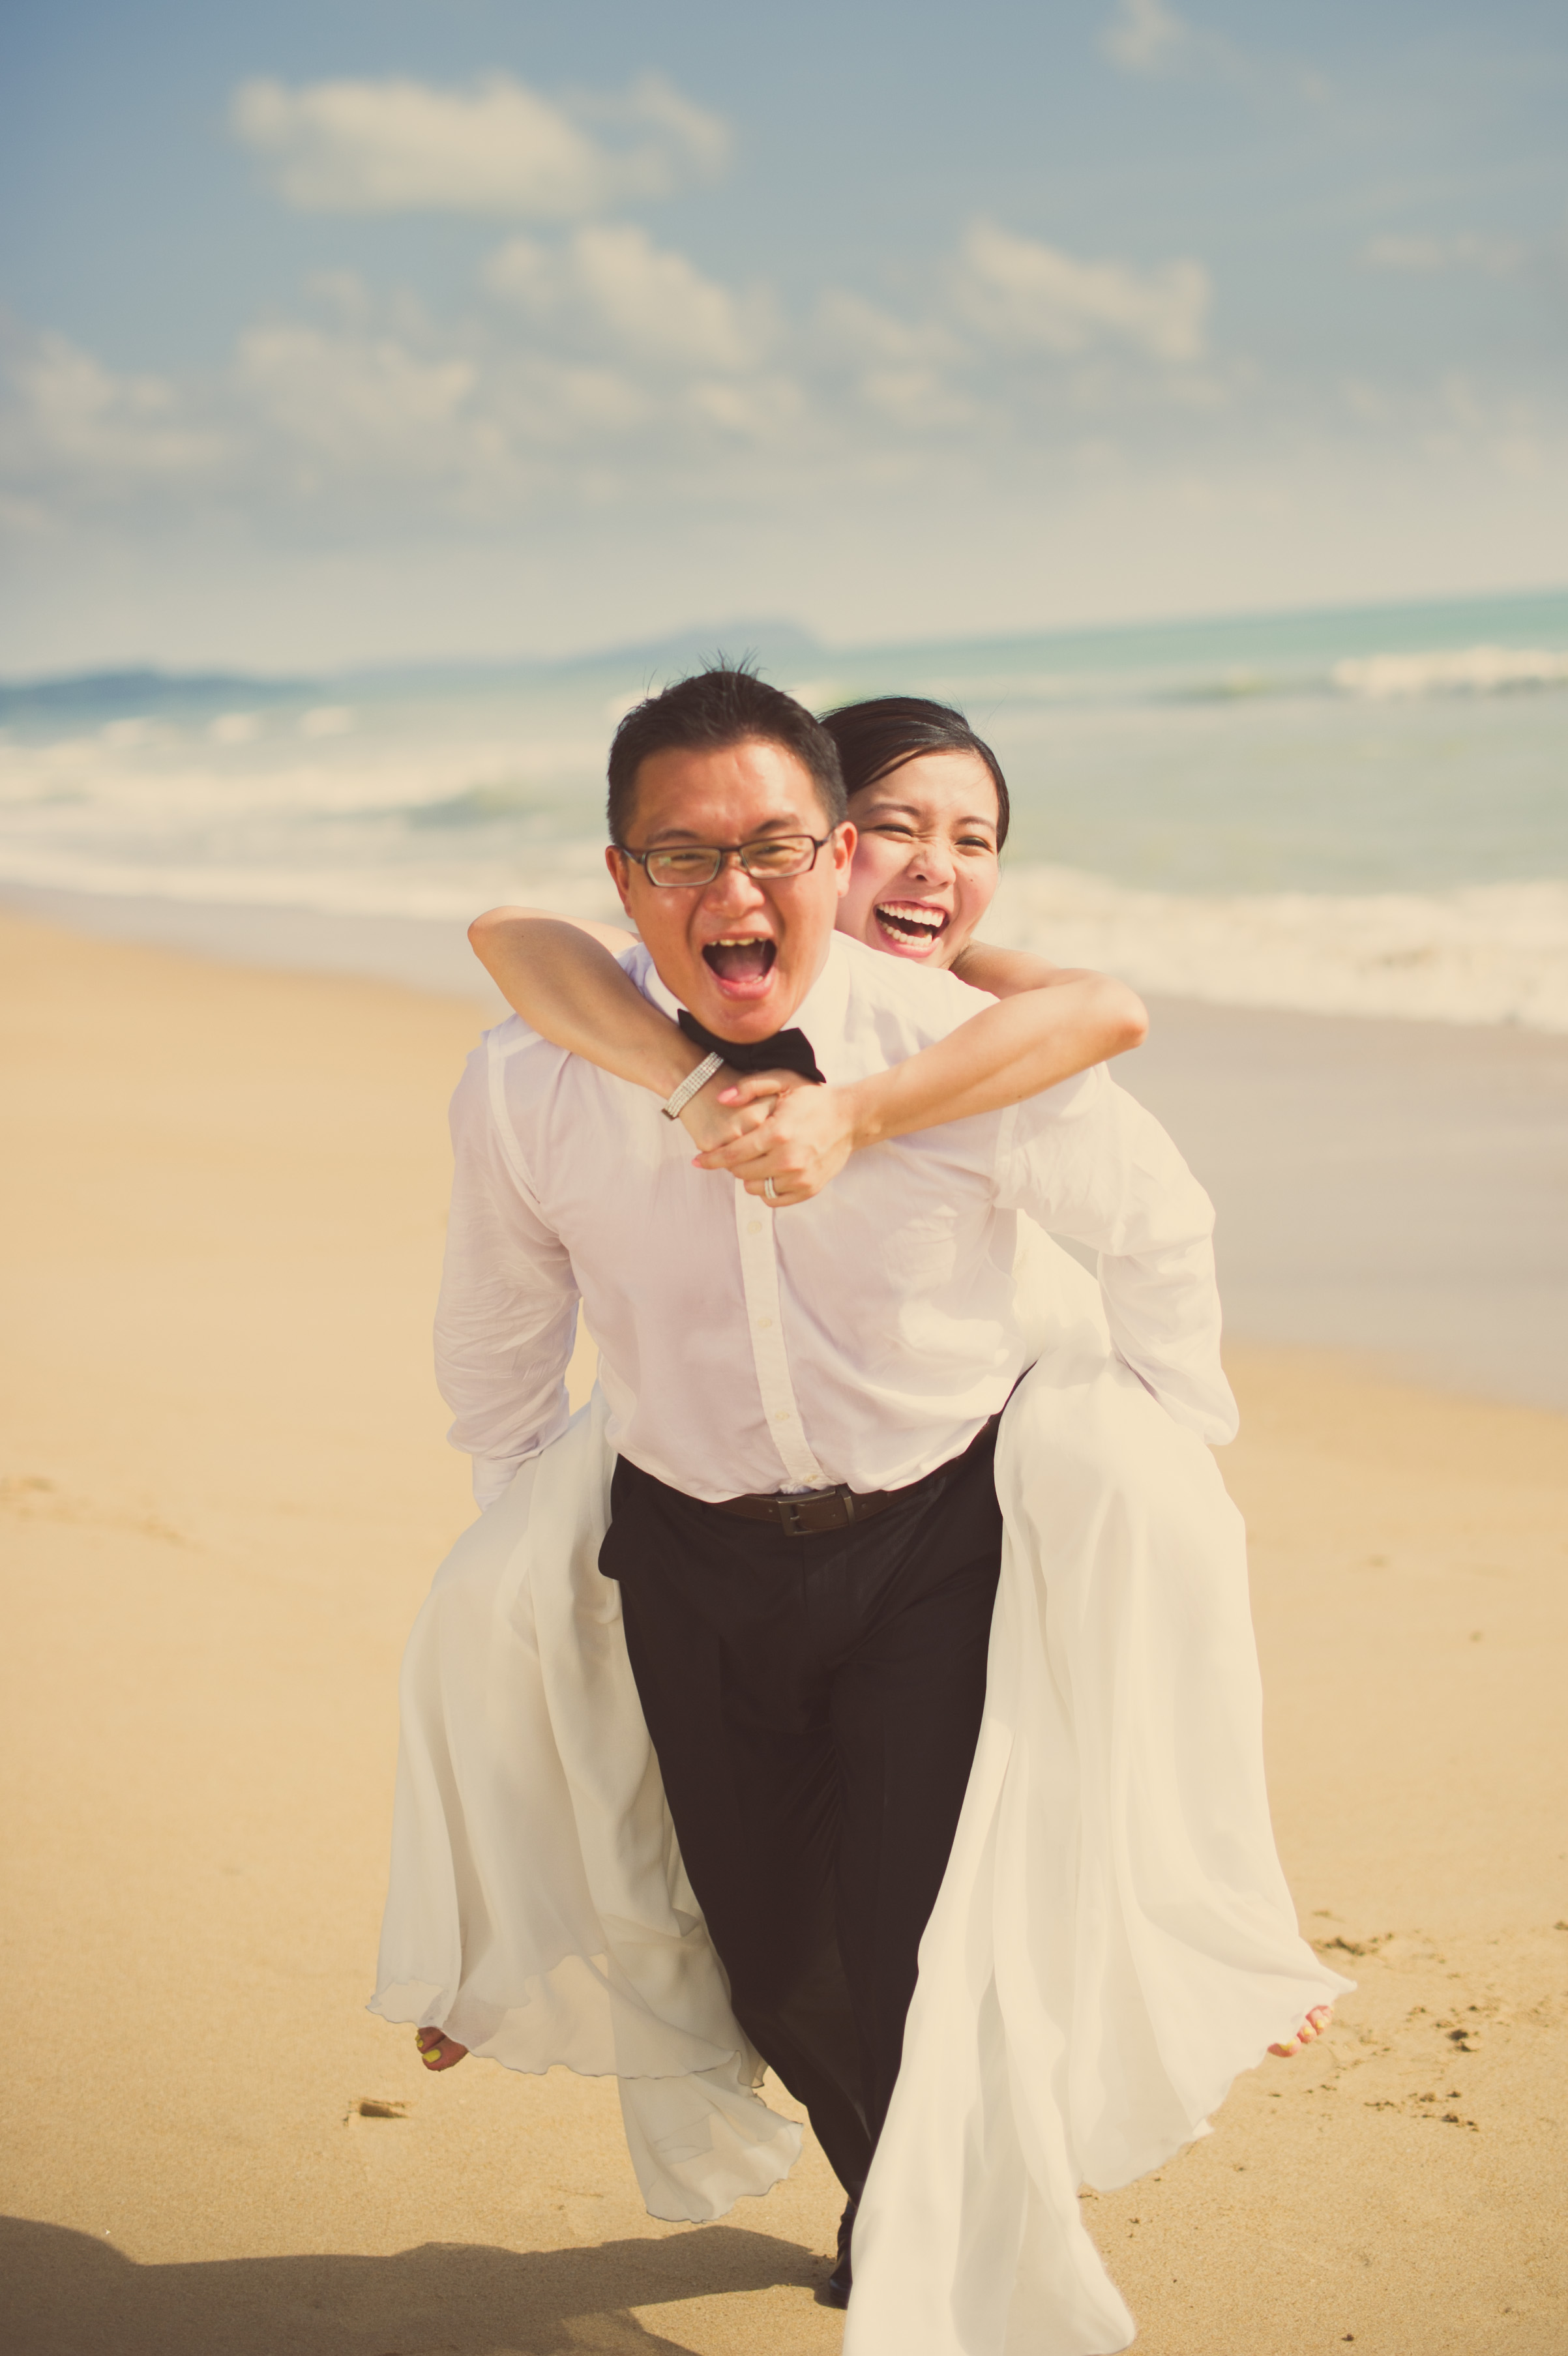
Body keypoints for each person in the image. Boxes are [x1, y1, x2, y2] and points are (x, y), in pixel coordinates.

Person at [372, 673, 1346, 2352]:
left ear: (827, 860)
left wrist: (1151, 1471)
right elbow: (502, 1337)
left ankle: (949, 2273)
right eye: (684, 857)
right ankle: (899, 2189)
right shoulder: (535, 1081)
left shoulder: (954, 1054)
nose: (732, 891)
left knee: (910, 1942)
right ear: (623, 881)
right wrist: (540, 1548)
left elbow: (1155, 1229)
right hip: (689, 1551)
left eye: (773, 848)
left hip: (927, 1543)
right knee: (775, 1966)